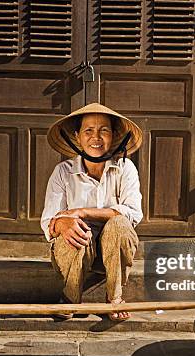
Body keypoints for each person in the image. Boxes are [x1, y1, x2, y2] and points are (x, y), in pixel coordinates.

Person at [41, 103, 143, 321]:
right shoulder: (63, 172)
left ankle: (114, 298)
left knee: (120, 223)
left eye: (103, 130)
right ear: (78, 136)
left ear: (114, 135)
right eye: (88, 130)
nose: (96, 137)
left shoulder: (125, 168)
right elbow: (49, 221)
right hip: (75, 252)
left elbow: (134, 212)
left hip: (112, 253)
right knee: (74, 226)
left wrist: (83, 212)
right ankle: (70, 298)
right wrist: (64, 223)